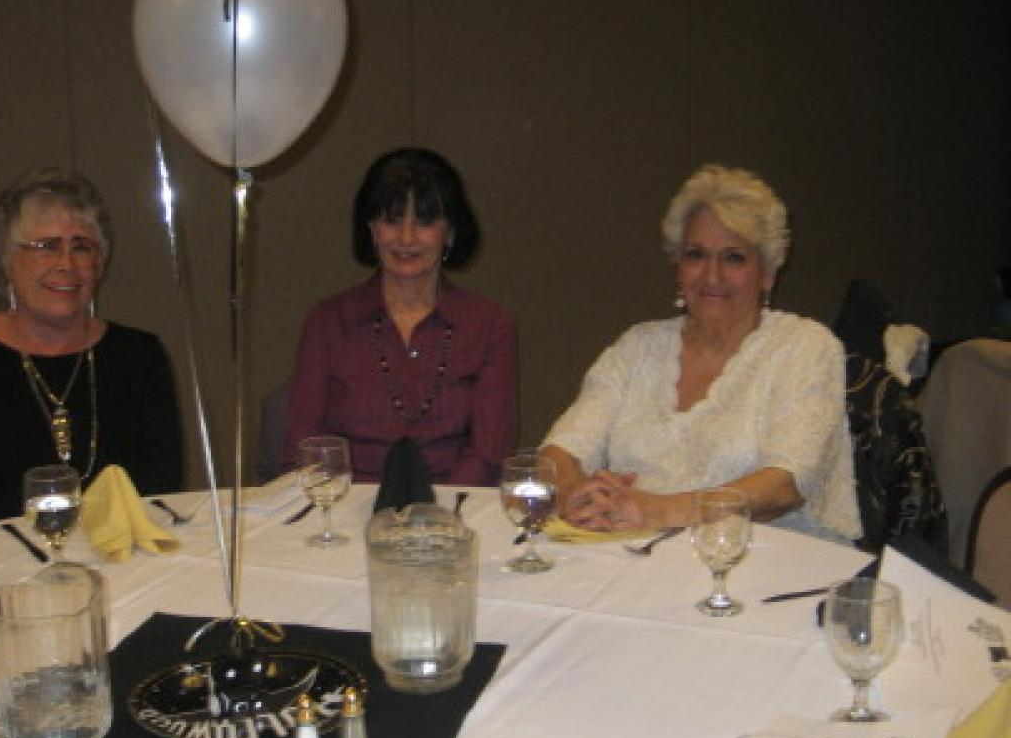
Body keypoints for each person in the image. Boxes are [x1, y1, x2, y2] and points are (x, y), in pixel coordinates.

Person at [542, 164, 861, 543]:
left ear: (768, 273)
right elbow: (560, 451)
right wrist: (575, 491)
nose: (712, 276)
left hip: (768, 563)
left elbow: (783, 486)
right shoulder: (637, 348)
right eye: (696, 254)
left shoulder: (805, 347)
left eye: (734, 258)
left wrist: (657, 509)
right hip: (641, 555)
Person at [0, 168, 183, 534]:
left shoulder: (139, 356)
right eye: (47, 246)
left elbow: (159, 490)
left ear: (98, 264)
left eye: (81, 246)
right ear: (8, 262)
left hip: (117, 562)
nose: (66, 264)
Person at [282, 147, 517, 486]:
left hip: (456, 513)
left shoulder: (490, 325)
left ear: (450, 231)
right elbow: (301, 452)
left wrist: (431, 518)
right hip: (347, 515)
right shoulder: (327, 323)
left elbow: (489, 453)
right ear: (371, 229)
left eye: (424, 221)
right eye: (391, 220)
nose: (406, 238)